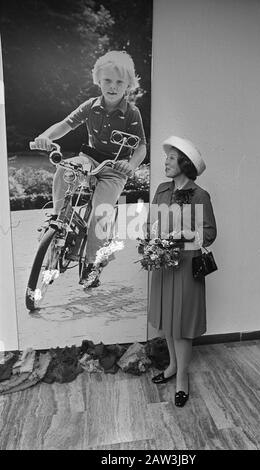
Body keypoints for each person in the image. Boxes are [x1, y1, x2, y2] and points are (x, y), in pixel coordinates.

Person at [33, 50, 147, 287]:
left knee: (101, 212)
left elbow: (142, 146)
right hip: (90, 158)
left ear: (128, 84)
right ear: (98, 80)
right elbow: (66, 124)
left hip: (114, 168)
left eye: (119, 82)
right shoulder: (91, 106)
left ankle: (92, 264)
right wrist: (45, 136)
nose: (113, 87)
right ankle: (59, 219)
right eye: (107, 81)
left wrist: (131, 164)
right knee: (65, 169)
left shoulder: (131, 113)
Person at [148, 136, 217, 407]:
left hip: (187, 266)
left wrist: (188, 233)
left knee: (182, 325)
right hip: (164, 264)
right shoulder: (162, 190)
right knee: (168, 319)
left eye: (171, 158)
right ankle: (173, 366)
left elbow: (209, 233)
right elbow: (152, 222)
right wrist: (152, 234)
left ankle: (182, 380)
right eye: (166, 158)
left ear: (185, 164)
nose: (165, 162)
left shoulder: (200, 195)